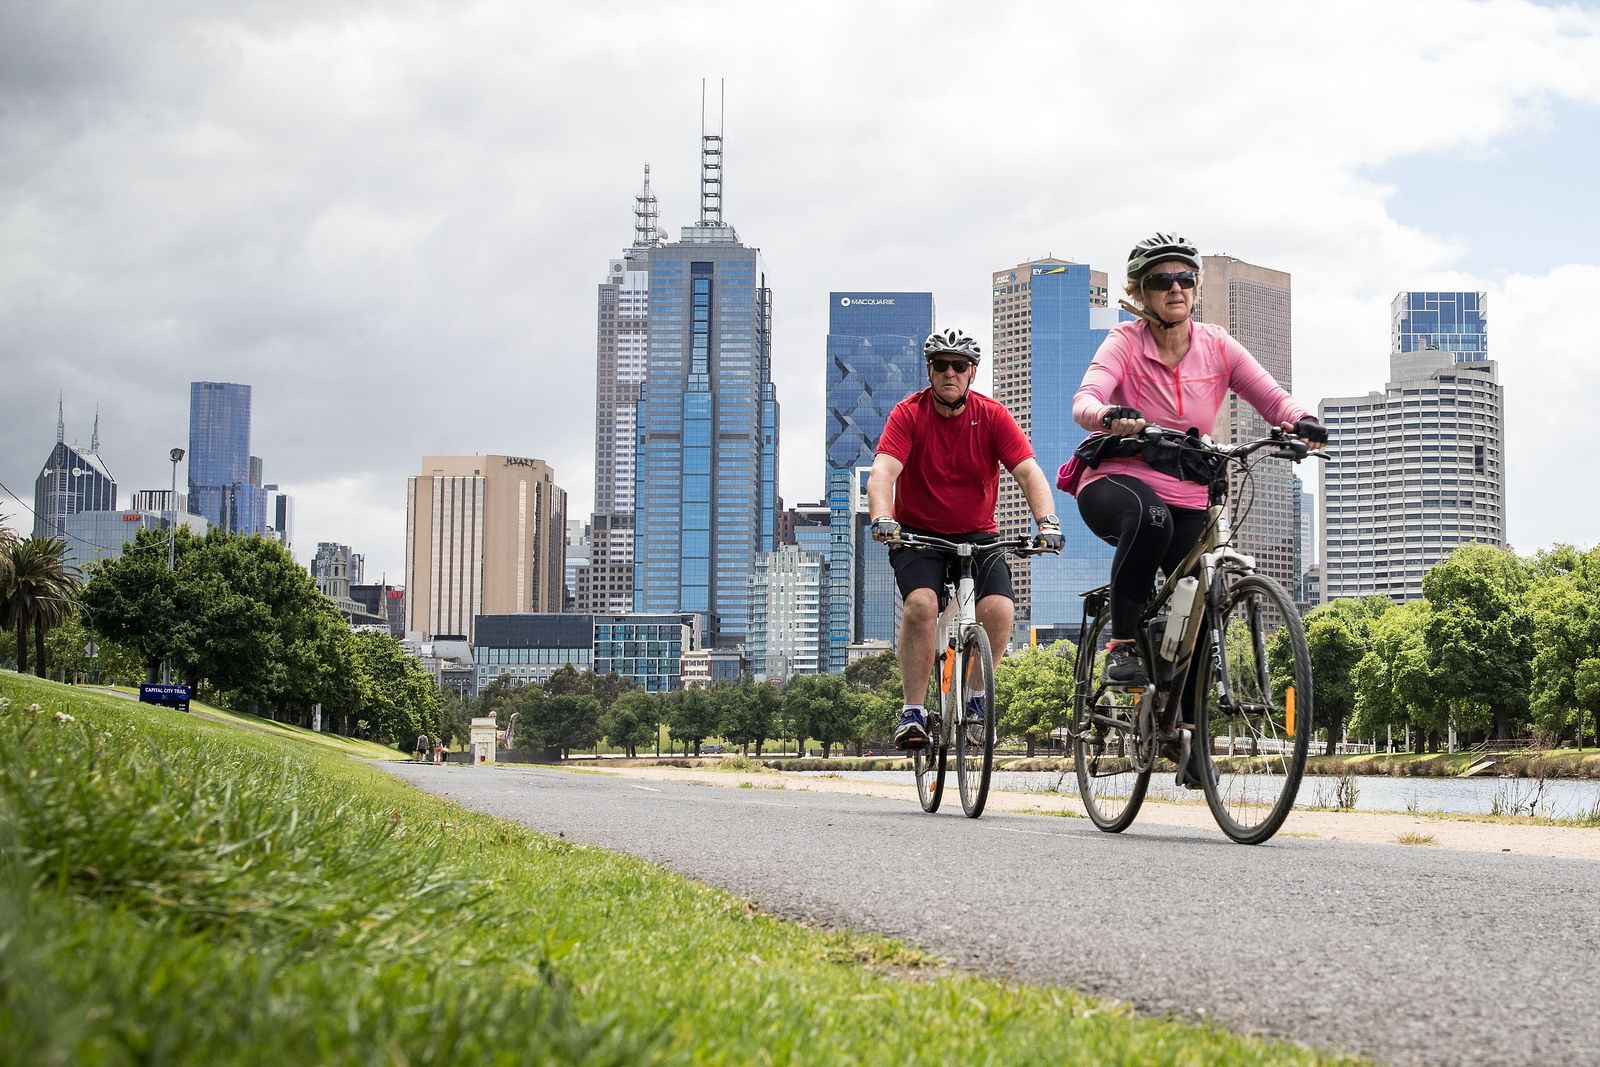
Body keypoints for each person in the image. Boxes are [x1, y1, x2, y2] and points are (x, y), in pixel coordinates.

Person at [1071, 233, 1326, 781]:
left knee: (1206, 598)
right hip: (1117, 479)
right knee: (1150, 519)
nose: (1176, 288)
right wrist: (1109, 414)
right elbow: (1085, 398)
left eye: (1185, 278)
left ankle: (1184, 735)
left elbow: (1271, 396)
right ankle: (1122, 643)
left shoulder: (1218, 345)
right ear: (1141, 291)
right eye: (1162, 280)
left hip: (1192, 488)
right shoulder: (1124, 341)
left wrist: (1299, 420)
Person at [868, 327, 1065, 750]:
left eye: (960, 366)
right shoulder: (908, 414)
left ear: (972, 372)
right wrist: (883, 517)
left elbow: (1029, 471)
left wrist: (1047, 522)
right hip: (918, 535)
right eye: (941, 365)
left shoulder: (992, 415)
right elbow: (884, 471)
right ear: (930, 370)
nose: (950, 373)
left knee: (999, 608)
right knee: (921, 605)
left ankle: (976, 697)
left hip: (979, 536)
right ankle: (913, 713)